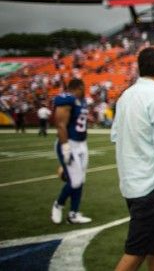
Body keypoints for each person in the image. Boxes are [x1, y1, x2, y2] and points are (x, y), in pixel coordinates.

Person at [111, 47, 154, 271]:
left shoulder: (126, 95)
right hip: (148, 185)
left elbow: (115, 135)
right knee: (137, 253)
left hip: (131, 182)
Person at [50, 78, 92, 224]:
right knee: (75, 182)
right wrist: (66, 148)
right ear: (78, 87)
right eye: (84, 87)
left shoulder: (82, 101)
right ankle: (58, 204)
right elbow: (60, 125)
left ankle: (73, 214)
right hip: (69, 143)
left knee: (80, 180)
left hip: (82, 144)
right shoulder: (66, 99)